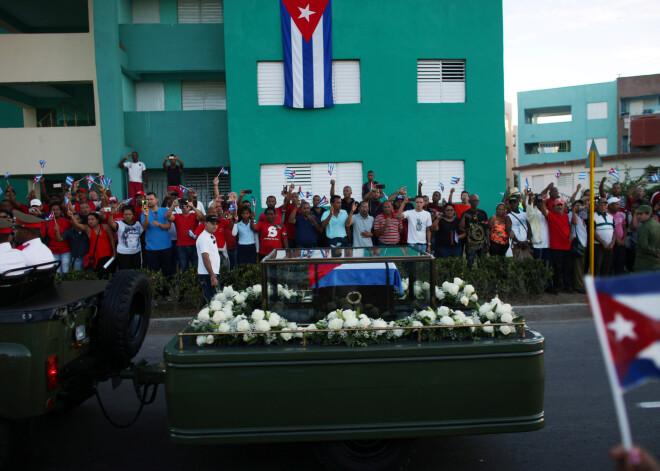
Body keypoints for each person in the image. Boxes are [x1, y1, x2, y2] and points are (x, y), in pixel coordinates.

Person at [540, 197, 574, 293]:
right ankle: (557, 287)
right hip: (556, 247)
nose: (559, 207)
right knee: (557, 269)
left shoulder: (567, 216)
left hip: (567, 245)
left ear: (564, 206)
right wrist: (543, 201)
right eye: (557, 205)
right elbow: (543, 211)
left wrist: (571, 233)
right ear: (554, 206)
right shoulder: (551, 215)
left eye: (561, 205)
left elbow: (571, 227)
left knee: (568, 268)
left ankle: (567, 286)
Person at [166, 198, 204, 272]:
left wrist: (193, 207)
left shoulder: (194, 215)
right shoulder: (177, 216)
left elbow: (202, 217)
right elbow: (167, 216)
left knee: (196, 267)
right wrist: (173, 205)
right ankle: (184, 283)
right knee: (183, 267)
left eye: (186, 206)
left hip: (194, 244)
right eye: (182, 206)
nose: (184, 208)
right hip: (181, 245)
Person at [141, 192, 174, 276]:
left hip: (165, 247)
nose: (149, 201)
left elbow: (168, 226)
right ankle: (156, 289)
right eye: (147, 200)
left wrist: (159, 225)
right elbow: (144, 227)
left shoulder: (164, 210)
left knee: (167, 272)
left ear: (156, 200)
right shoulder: (143, 213)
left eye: (151, 199)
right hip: (151, 249)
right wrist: (146, 215)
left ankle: (167, 289)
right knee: (154, 273)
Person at [107, 205, 149, 270]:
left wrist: (146, 215)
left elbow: (144, 227)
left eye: (129, 214)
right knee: (125, 273)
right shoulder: (119, 224)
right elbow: (111, 224)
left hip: (136, 253)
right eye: (125, 214)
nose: (127, 216)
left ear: (133, 215)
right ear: (123, 215)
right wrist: (111, 215)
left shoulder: (137, 224)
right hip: (123, 253)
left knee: (136, 272)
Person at [41, 202, 72, 274]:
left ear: (61, 211)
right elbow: (42, 235)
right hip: (53, 250)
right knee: (57, 272)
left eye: (57, 209)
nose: (55, 211)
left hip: (65, 250)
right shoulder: (47, 222)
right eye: (53, 209)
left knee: (65, 271)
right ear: (50, 211)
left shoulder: (66, 221)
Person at [459, 194, 488, 268]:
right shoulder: (466, 213)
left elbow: (487, 228)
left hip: (481, 243)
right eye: (473, 200)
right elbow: (461, 228)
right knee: (470, 263)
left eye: (476, 200)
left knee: (482, 263)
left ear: (478, 201)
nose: (475, 202)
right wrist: (465, 216)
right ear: (470, 201)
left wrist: (488, 242)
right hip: (470, 244)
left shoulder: (483, 213)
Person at [197, 214, 221, 303]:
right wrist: (212, 276)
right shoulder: (204, 238)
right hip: (208, 274)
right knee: (211, 302)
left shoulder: (210, 236)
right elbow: (205, 257)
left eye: (216, 224)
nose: (215, 226)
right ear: (205, 224)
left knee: (214, 301)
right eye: (212, 223)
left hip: (211, 273)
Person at [568, 200, 587, 294]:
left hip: (584, 243)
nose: (579, 207)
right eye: (577, 206)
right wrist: (573, 211)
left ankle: (581, 284)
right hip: (577, 243)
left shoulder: (581, 216)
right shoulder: (571, 215)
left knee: (582, 266)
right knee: (577, 267)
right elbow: (574, 222)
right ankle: (578, 286)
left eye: (580, 206)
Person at [634, 205, 660, 272]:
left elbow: (644, 246)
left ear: (648, 214)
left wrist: (656, 252)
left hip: (645, 264)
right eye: (637, 214)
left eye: (641, 214)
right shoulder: (658, 225)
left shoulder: (644, 228)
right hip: (657, 264)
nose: (638, 216)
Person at [593, 197, 615, 276]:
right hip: (598, 245)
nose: (603, 207)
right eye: (601, 205)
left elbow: (614, 230)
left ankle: (604, 285)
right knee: (597, 266)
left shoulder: (610, 217)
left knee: (607, 267)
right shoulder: (593, 216)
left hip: (609, 245)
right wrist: (603, 242)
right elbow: (593, 231)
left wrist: (612, 243)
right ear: (597, 205)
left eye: (605, 205)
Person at [507, 195, 533, 260]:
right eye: (511, 203)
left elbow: (529, 228)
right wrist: (518, 242)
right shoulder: (509, 216)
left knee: (529, 262)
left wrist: (528, 240)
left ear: (518, 203)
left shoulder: (524, 214)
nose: (513, 204)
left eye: (514, 202)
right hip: (516, 244)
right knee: (517, 264)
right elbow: (509, 231)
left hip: (526, 243)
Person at [608, 197, 627, 274]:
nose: (619, 206)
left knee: (621, 264)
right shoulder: (607, 215)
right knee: (611, 264)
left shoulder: (621, 215)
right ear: (611, 205)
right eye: (616, 205)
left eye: (619, 204)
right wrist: (617, 240)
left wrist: (624, 239)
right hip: (613, 243)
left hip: (622, 243)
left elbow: (624, 228)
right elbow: (611, 229)